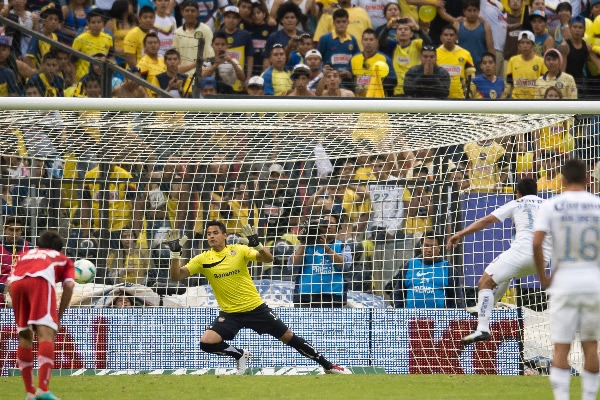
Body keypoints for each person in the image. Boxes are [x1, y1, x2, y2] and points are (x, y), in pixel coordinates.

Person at [167, 220, 352, 374]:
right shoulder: (202, 259)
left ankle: (328, 365)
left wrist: (257, 244)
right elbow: (177, 276)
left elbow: (268, 259)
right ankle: (239, 355)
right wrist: (175, 255)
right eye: (208, 234)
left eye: (215, 233)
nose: (211, 236)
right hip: (230, 313)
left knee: (289, 337)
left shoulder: (239, 250)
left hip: (255, 308)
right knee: (206, 343)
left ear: (224, 235)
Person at [447, 178, 552, 345]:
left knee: (484, 282)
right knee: (505, 275)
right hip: (542, 259)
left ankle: (482, 327)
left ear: (518, 193)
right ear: (537, 192)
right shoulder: (548, 205)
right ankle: (486, 306)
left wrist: (460, 234)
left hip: (522, 252)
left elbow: (486, 221)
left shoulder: (515, 203)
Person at [533, 159, 600, 400]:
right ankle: (589, 397)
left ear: (561, 180)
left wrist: (543, 277)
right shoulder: (597, 204)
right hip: (593, 282)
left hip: (564, 283)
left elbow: (537, 243)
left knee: (561, 346)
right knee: (591, 345)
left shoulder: (551, 205)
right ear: (587, 179)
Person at [7, 230, 75, 400]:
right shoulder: (62, 258)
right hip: (39, 281)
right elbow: (69, 286)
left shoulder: (24, 255)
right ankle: (43, 389)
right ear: (59, 249)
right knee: (46, 334)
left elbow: (9, 283)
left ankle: (30, 392)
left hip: (15, 285)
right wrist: (58, 317)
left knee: (25, 335)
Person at [292, 213, 352, 307]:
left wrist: (325, 247)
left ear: (338, 228)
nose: (329, 226)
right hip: (305, 295)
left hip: (333, 296)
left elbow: (345, 265)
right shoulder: (305, 244)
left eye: (332, 224)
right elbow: (292, 265)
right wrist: (303, 241)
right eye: (325, 223)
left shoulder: (342, 246)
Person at [393, 230, 463, 309]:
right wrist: (400, 312)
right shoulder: (409, 265)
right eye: (426, 245)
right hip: (412, 316)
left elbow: (457, 299)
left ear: (439, 248)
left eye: (433, 246)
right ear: (421, 246)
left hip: (439, 316)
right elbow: (398, 293)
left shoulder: (448, 269)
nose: (429, 250)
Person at [317, 8, 360, 87]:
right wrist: (323, 70)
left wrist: (349, 72)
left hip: (347, 82)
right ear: (334, 23)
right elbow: (318, 59)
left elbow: (357, 60)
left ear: (348, 22)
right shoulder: (325, 38)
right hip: (330, 81)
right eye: (338, 22)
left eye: (344, 21)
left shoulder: (353, 39)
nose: (341, 24)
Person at [172, 0, 215, 78]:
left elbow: (209, 57)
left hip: (201, 76)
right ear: (182, 13)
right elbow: (176, 58)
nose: (190, 13)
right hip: (183, 77)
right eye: (187, 11)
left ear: (198, 13)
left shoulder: (206, 30)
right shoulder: (177, 33)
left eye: (193, 11)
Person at [71, 9, 114, 81]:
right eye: (93, 22)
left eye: (99, 22)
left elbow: (111, 58)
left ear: (103, 23)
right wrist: (74, 81)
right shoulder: (79, 39)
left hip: (102, 79)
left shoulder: (109, 38)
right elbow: (72, 62)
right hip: (84, 79)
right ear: (88, 23)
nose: (96, 25)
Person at [435, 25, 475, 99]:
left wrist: (468, 95)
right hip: (440, 99)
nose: (448, 38)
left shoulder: (465, 54)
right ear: (441, 37)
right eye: (446, 35)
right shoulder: (435, 54)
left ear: (456, 37)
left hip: (460, 98)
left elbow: (471, 78)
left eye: (451, 35)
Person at [0, 216, 31, 308]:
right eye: (11, 230)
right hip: (2, 296)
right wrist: (3, 288)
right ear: (5, 230)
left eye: (17, 230)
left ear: (21, 231)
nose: (14, 233)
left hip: (24, 295)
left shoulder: (29, 248)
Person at [505, 30, 547, 99]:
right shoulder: (512, 60)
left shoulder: (541, 61)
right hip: (516, 99)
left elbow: (544, 84)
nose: (525, 46)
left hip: (534, 100)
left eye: (528, 43)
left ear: (533, 45)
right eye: (522, 43)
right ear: (518, 45)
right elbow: (511, 83)